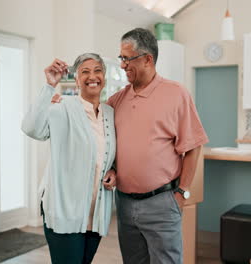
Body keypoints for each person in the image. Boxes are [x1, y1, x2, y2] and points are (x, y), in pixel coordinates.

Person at [106, 28, 209, 264]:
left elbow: (193, 147)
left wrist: (182, 192)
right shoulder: (117, 99)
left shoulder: (176, 94)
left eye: (125, 58)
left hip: (162, 202)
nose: (122, 65)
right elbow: (104, 138)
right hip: (124, 204)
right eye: (121, 58)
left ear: (147, 59)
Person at [22, 53, 117, 264]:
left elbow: (109, 154)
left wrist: (114, 171)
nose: (92, 76)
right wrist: (49, 87)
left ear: (104, 77)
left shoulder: (110, 113)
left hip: (96, 213)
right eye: (85, 71)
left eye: (97, 70)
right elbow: (31, 128)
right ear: (76, 80)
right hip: (65, 211)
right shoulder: (63, 106)